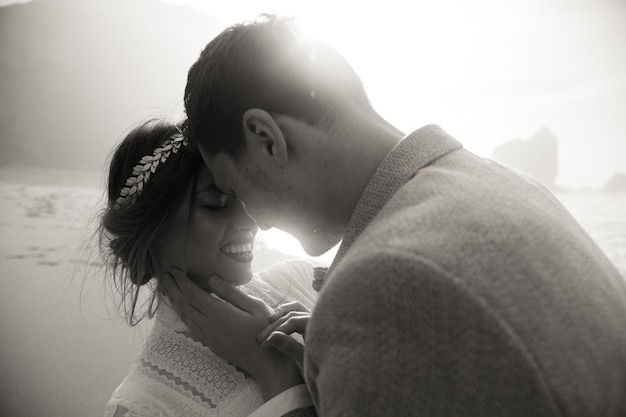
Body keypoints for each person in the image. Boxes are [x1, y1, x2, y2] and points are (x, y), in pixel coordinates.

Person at [178, 14, 626, 416]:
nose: (257, 221)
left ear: (266, 138)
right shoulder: (506, 185)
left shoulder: (382, 291)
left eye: (235, 189)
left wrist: (275, 375)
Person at [99, 118, 317, 417]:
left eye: (242, 197)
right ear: (150, 235)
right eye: (215, 204)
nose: (250, 220)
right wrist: (274, 374)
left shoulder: (302, 281)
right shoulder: (147, 405)